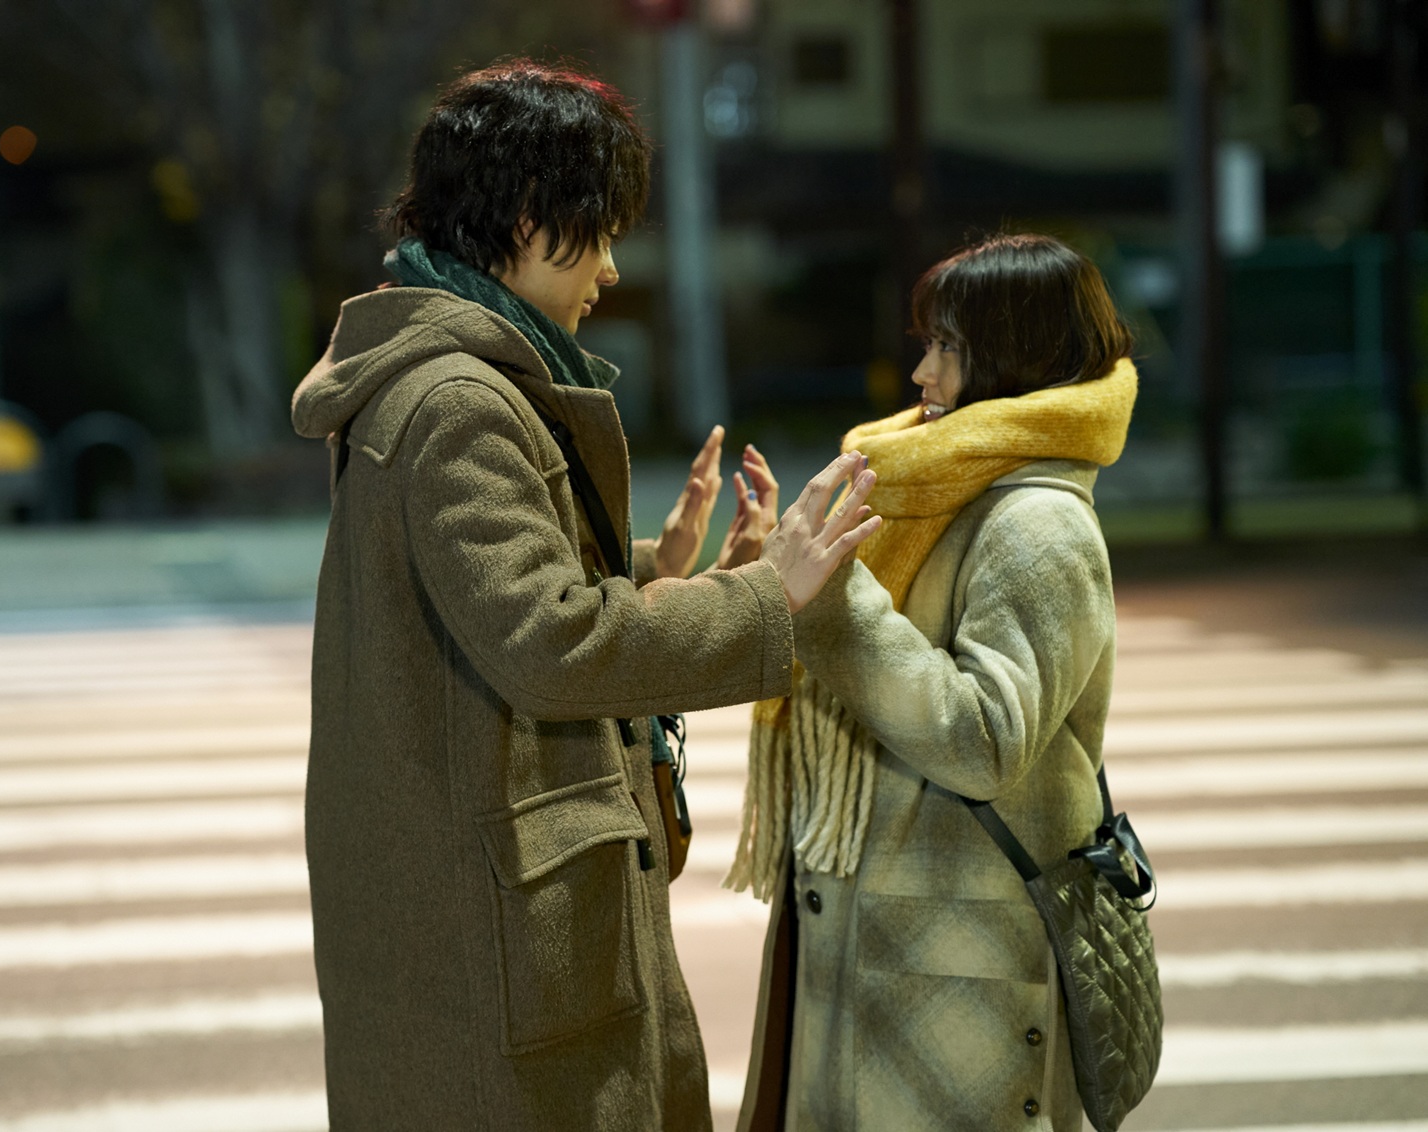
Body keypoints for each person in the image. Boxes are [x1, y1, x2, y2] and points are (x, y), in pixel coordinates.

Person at [289, 59, 881, 1131]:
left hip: (463, 907)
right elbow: (548, 640)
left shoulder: (439, 376)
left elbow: (478, 606)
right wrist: (768, 598)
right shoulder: (459, 401)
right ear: (526, 218)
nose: (609, 268)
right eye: (596, 232)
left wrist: (662, 573)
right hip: (493, 941)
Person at [724, 233, 1138, 1130]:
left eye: (947, 345)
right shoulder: (936, 491)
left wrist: (832, 598)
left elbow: (984, 740)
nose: (922, 372)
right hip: (887, 948)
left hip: (959, 975)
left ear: (1015, 353)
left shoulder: (1038, 524)